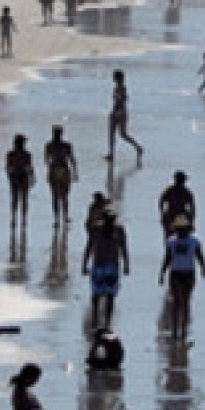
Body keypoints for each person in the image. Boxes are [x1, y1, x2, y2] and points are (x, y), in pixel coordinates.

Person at [82, 196, 129, 328]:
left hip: (112, 265)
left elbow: (124, 247)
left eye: (111, 219)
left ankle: (107, 323)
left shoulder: (119, 230)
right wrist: (84, 264)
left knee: (110, 296)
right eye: (107, 219)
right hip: (98, 265)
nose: (109, 221)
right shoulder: (96, 230)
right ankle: (96, 320)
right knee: (96, 295)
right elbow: (89, 246)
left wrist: (126, 264)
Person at [159, 220, 205, 342]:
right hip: (175, 273)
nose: (181, 232)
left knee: (186, 302)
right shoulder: (171, 241)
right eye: (179, 229)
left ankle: (184, 332)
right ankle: (175, 331)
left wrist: (203, 268)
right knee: (176, 303)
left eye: (184, 229)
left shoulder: (194, 241)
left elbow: (200, 256)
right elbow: (167, 258)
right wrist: (162, 272)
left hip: (189, 273)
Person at [107, 70, 144, 162]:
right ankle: (111, 153)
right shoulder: (117, 88)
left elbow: (122, 100)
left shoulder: (122, 88)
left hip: (120, 112)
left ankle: (138, 147)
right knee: (113, 133)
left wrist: (117, 112)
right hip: (117, 111)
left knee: (122, 134)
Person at [44, 125, 77, 225]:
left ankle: (57, 219)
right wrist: (75, 172)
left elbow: (47, 160)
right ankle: (65, 217)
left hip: (54, 169)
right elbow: (72, 159)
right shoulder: (66, 146)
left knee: (55, 195)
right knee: (64, 195)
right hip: (63, 169)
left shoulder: (49, 145)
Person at [6, 134, 34, 222]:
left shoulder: (11, 154)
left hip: (15, 176)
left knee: (15, 198)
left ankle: (14, 217)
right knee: (23, 198)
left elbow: (8, 167)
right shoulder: (26, 154)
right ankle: (23, 218)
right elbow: (29, 167)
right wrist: (32, 177)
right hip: (22, 175)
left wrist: (10, 176)